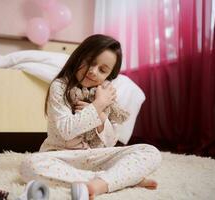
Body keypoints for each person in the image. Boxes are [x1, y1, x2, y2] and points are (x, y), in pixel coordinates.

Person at [20, 34, 161, 200]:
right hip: (60, 157)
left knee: (150, 151)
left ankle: (107, 180)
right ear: (79, 57)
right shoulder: (60, 87)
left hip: (93, 157)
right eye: (90, 62)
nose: (93, 72)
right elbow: (66, 131)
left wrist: (101, 118)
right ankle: (118, 179)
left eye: (102, 70)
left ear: (108, 76)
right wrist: (97, 105)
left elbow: (110, 142)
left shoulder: (104, 94)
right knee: (29, 165)